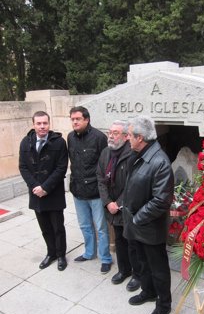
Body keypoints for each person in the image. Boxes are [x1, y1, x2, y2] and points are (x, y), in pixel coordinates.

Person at [123, 115, 174, 314]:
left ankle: (164, 305)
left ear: (140, 137)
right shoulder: (137, 154)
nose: (127, 138)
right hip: (135, 224)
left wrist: (137, 218)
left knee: (158, 268)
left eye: (129, 135)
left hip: (149, 227)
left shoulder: (160, 162)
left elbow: (161, 201)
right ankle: (148, 291)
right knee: (142, 263)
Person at [19, 111, 68, 271]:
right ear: (33, 124)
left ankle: (61, 255)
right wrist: (35, 187)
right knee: (45, 228)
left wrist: (45, 187)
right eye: (39, 123)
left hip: (53, 192)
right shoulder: (25, 142)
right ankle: (51, 253)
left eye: (45, 123)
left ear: (49, 124)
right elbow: (23, 167)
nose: (42, 126)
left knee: (58, 227)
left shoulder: (59, 142)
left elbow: (61, 168)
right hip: (36, 194)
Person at [97, 120, 141, 291]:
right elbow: (100, 178)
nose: (111, 136)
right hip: (112, 208)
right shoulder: (105, 153)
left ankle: (137, 275)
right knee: (119, 242)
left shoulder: (132, 154)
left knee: (132, 244)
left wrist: (119, 203)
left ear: (125, 136)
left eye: (115, 133)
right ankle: (124, 270)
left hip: (127, 208)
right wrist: (108, 202)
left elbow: (133, 183)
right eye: (110, 132)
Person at [67, 106, 112, 274]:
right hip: (77, 190)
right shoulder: (70, 137)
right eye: (72, 119)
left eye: (78, 119)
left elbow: (105, 164)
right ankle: (89, 252)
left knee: (101, 227)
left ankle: (106, 258)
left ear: (87, 119)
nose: (75, 122)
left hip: (95, 192)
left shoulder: (99, 137)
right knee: (85, 225)